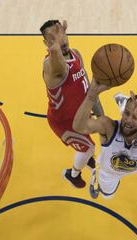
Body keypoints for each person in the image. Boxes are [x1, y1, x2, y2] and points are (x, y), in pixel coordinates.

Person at [40, 20, 104, 188]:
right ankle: (73, 174)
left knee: (92, 141)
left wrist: (102, 117)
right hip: (64, 122)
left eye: (60, 33)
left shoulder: (76, 54)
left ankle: (85, 157)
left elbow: (89, 90)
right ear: (46, 43)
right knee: (89, 148)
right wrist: (55, 52)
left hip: (80, 114)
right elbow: (59, 66)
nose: (59, 39)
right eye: (52, 38)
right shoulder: (51, 67)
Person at [73, 82, 137, 198]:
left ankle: (126, 105)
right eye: (126, 113)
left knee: (129, 123)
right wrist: (91, 95)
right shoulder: (108, 127)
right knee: (107, 195)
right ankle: (96, 173)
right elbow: (79, 127)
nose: (129, 120)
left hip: (124, 168)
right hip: (108, 173)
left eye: (136, 117)